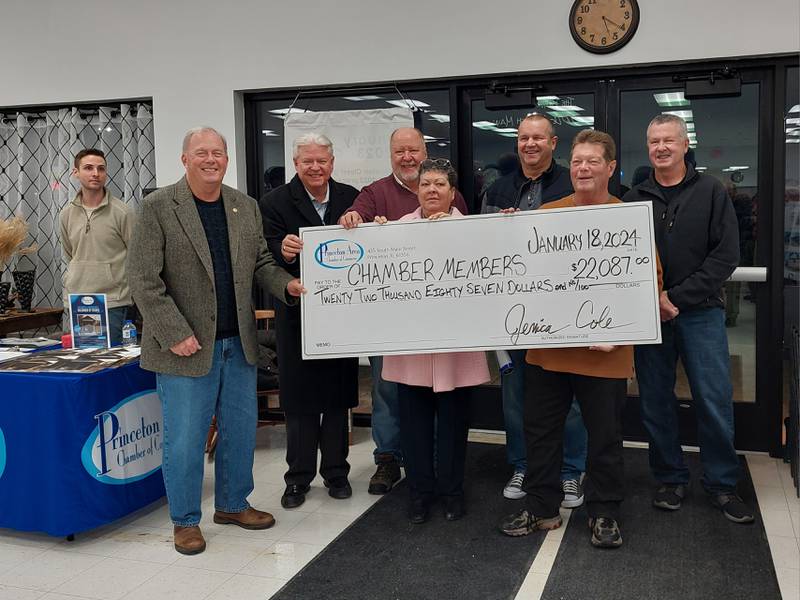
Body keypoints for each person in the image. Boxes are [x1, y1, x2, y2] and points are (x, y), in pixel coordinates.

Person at [128, 127, 304, 555]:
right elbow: (143, 280)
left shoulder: (244, 206)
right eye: (202, 152)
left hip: (238, 344)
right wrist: (175, 333)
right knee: (185, 440)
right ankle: (185, 520)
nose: (211, 159)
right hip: (185, 348)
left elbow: (261, 263)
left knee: (239, 433)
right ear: (185, 159)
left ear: (227, 159)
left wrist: (287, 285)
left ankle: (232, 504)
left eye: (218, 153)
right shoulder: (157, 207)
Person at [499, 129, 659, 548]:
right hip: (548, 352)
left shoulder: (628, 218)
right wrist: (505, 231)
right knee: (540, 432)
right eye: (577, 162)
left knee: (604, 438)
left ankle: (604, 512)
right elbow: (518, 270)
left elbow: (649, 281)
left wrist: (621, 332)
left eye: (592, 161)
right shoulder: (545, 214)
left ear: (611, 168)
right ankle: (542, 507)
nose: (583, 169)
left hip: (605, 354)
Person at [623, 114, 754, 524]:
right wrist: (653, 301)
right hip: (651, 319)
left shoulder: (711, 192)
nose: (661, 147)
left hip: (701, 314)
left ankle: (722, 483)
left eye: (669, 140)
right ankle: (670, 478)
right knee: (655, 401)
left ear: (684, 145)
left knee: (713, 400)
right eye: (654, 141)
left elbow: (726, 256)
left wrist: (675, 298)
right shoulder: (633, 199)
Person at [339, 128, 469, 495]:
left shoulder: (452, 198)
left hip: (443, 321)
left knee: (439, 392)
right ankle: (387, 458)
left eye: (413, 150)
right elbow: (354, 222)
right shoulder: (374, 193)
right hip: (393, 322)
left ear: (425, 154)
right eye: (400, 151)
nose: (407, 157)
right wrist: (354, 220)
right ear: (391, 155)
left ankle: (433, 462)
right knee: (387, 390)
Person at [481, 113, 588, 506]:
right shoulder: (497, 190)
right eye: (524, 138)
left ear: (553, 143)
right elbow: (482, 247)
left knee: (568, 396)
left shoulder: (571, 184)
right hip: (512, 312)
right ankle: (522, 465)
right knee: (515, 394)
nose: (530, 144)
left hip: (562, 310)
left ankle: (570, 471)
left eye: (538, 138)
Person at [376, 158, 490, 523]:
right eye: (425, 184)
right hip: (411, 351)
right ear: (417, 191)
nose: (432, 190)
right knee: (414, 429)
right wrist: (371, 235)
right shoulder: (395, 230)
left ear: (453, 192)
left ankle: (453, 492)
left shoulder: (473, 230)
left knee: (454, 429)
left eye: (440, 184)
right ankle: (420, 494)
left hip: (456, 351)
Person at [260, 133, 360, 509]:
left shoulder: (351, 198)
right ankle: (297, 479)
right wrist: (283, 252)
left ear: (332, 163)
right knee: (300, 401)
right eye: (308, 161)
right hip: (296, 314)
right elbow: (264, 255)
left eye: (322, 161)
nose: (315, 167)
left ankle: (336, 473)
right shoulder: (274, 202)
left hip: (342, 315)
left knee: (336, 397)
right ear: (296, 164)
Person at [60, 148, 135, 344]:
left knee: (110, 360)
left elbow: (137, 257)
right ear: (75, 173)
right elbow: (70, 254)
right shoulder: (66, 214)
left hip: (113, 302)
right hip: (78, 302)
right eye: (88, 168)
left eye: (101, 169)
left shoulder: (123, 213)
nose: (95, 173)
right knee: (84, 358)